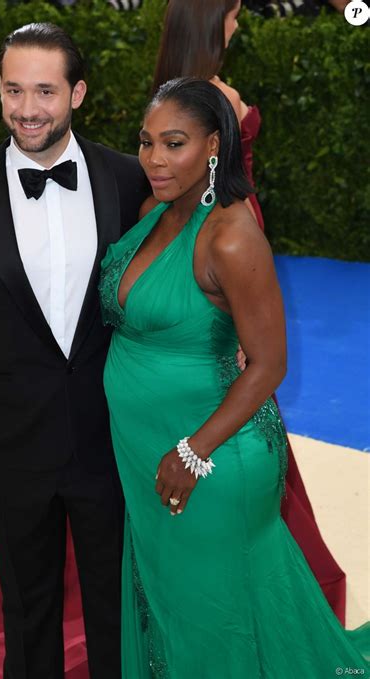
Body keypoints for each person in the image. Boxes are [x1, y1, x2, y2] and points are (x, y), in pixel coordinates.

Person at [99, 76, 369, 678]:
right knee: (173, 602)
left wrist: (193, 452)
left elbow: (271, 363)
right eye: (146, 142)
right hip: (148, 448)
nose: (154, 160)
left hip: (210, 456)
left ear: (215, 144)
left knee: (215, 613)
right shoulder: (153, 211)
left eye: (174, 143)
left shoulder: (230, 236)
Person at [0, 22, 149, 679]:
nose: (28, 108)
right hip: (10, 438)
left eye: (45, 91)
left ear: (77, 93)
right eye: (13, 90)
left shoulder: (129, 180)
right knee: (28, 608)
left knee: (115, 603)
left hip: (110, 433)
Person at [151, 0, 346, 621]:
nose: (238, 24)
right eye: (233, 15)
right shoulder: (212, 98)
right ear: (213, 24)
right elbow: (230, 199)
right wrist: (242, 298)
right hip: (227, 266)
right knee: (239, 393)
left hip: (194, 266)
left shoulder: (166, 93)